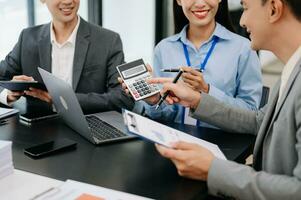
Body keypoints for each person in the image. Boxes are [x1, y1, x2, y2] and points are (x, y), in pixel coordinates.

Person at [148, 0, 301, 198]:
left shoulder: (246, 50)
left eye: (245, 8)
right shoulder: (289, 72)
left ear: (273, 9)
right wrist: (196, 100)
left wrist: (212, 169)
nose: (243, 21)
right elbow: (257, 120)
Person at [134, 0, 262, 128]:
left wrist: (206, 90)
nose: (200, 3)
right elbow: (165, 115)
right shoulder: (163, 49)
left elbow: (251, 115)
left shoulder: (244, 48)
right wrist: (154, 99)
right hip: (176, 142)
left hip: (224, 143)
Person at [0, 0, 134, 114]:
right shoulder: (27, 38)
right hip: (38, 134)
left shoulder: (108, 40)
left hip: (91, 133)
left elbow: (122, 98)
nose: (68, 1)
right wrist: (8, 93)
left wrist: (60, 99)